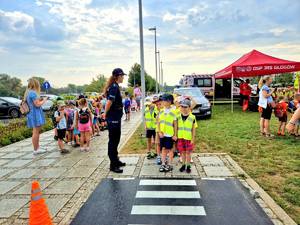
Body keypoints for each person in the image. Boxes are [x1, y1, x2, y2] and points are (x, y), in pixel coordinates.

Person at [103, 68, 127, 173]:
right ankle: (113, 165)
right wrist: (104, 113)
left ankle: (116, 160)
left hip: (116, 117)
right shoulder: (113, 87)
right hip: (113, 118)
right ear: (117, 76)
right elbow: (109, 101)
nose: (123, 77)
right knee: (113, 141)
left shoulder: (115, 86)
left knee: (116, 140)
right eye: (122, 76)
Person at [24, 78, 48, 155]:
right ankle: (36, 149)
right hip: (35, 114)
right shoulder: (33, 93)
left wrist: (40, 100)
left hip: (32, 114)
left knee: (36, 131)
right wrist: (44, 100)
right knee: (36, 132)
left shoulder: (28, 92)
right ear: (35, 84)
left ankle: (37, 147)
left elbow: (35, 103)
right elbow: (37, 105)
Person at [176, 98, 197, 173]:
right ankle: (183, 165)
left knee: (188, 153)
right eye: (182, 106)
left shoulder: (192, 117)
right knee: (183, 152)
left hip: (188, 138)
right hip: (180, 137)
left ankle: (188, 166)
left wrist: (193, 139)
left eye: (186, 107)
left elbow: (193, 129)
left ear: (189, 108)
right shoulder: (178, 116)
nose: (184, 108)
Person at [158, 94, 177, 172]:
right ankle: (163, 163)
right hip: (162, 134)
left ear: (169, 101)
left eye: (163, 100)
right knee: (163, 149)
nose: (162, 102)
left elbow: (175, 124)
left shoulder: (173, 112)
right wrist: (159, 132)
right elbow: (158, 123)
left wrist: (175, 134)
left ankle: (170, 164)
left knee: (170, 150)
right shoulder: (161, 111)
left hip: (170, 134)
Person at [153, 95, 163, 165]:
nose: (158, 106)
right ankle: (159, 156)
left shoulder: (166, 111)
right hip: (158, 131)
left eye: (159, 104)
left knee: (164, 145)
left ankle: (164, 156)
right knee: (158, 144)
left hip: (165, 131)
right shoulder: (156, 112)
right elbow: (156, 122)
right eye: (157, 105)